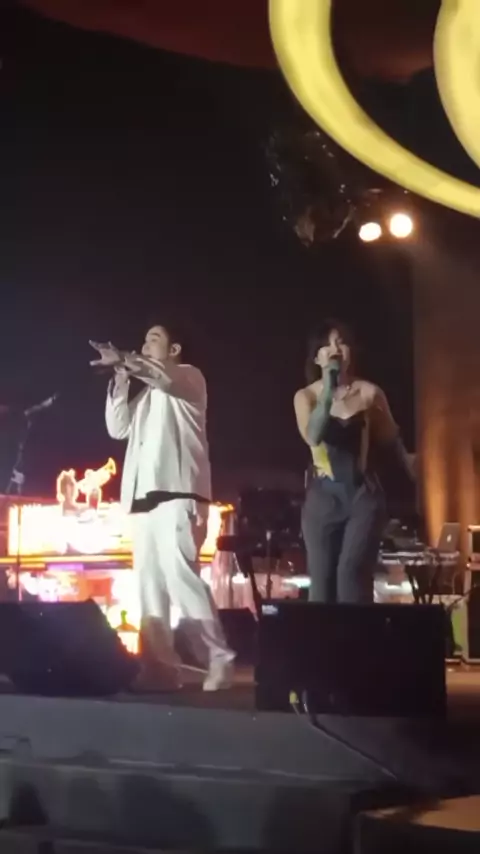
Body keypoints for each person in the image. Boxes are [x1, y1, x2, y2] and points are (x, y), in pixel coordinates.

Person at [90, 323, 234, 691]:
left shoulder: (188, 378)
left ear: (174, 349)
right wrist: (121, 377)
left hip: (178, 496)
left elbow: (161, 377)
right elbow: (117, 428)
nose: (144, 344)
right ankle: (160, 668)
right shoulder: (145, 397)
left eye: (153, 338)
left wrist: (125, 359)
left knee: (181, 578)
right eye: (143, 339)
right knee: (149, 586)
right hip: (143, 503)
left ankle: (218, 657)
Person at [293, 320, 414, 604]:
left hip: (362, 494)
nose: (335, 349)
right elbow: (313, 436)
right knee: (322, 584)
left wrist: (410, 463)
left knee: (351, 574)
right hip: (323, 496)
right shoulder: (306, 397)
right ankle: (320, 634)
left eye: (341, 342)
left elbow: (391, 437)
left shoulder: (369, 393)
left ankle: (357, 632)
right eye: (327, 344)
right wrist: (328, 390)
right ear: (316, 358)